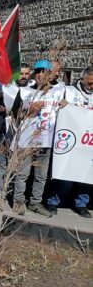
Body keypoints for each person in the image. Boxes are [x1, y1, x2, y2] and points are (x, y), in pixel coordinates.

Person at [9, 60, 66, 217]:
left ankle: (35, 202)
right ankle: (18, 201)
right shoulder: (25, 92)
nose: (41, 75)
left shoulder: (59, 91)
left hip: (47, 140)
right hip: (27, 141)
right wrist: (27, 110)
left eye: (44, 72)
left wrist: (66, 104)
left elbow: (66, 110)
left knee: (41, 176)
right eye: (38, 72)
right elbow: (14, 114)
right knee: (23, 173)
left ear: (50, 75)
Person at [45, 66, 92, 218]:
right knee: (63, 172)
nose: (92, 86)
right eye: (90, 82)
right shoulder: (69, 91)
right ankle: (53, 201)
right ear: (83, 78)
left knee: (86, 174)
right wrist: (64, 105)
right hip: (69, 139)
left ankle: (81, 203)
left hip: (87, 142)